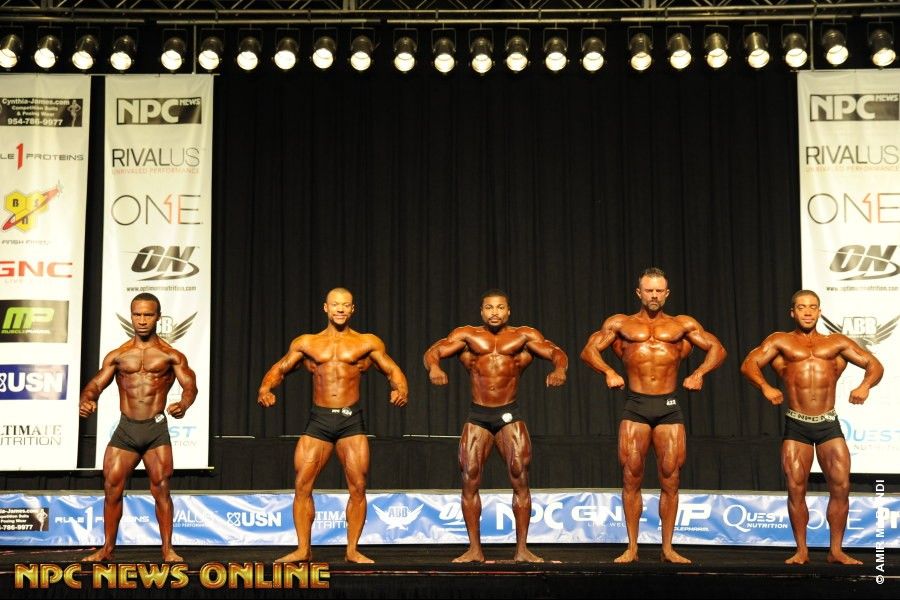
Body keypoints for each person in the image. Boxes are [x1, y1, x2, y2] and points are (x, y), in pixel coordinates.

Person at [580, 267, 726, 564]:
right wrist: (608, 371)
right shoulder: (620, 324)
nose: (654, 295)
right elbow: (588, 351)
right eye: (649, 290)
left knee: (671, 478)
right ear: (639, 293)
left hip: (669, 407)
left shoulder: (682, 325)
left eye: (659, 290)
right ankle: (632, 547)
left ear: (667, 293)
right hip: (636, 405)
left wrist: (699, 373)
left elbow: (717, 349)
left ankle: (667, 548)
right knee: (630, 476)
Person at [257, 288, 408, 564]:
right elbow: (280, 368)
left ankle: (352, 550)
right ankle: (303, 549)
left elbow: (392, 369)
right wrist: (265, 388)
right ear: (325, 308)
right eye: (335, 305)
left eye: (345, 305)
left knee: (358, 486)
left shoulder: (367, 342)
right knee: (302, 484)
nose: (340, 309)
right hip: (320, 420)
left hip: (351, 420)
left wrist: (400, 389)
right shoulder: (307, 343)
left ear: (353, 309)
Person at [423, 289, 568, 563]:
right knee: (469, 477)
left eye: (500, 307)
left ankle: (522, 550)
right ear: (481, 311)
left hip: (508, 414)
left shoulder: (523, 336)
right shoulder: (467, 336)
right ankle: (474, 549)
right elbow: (434, 351)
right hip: (478, 415)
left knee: (520, 476)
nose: (494, 312)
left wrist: (559, 369)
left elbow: (555, 351)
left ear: (508, 311)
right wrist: (434, 368)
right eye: (489, 308)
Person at [741, 289, 883, 565]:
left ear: (819, 311)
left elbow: (873, 364)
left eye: (812, 307)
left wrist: (865, 385)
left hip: (828, 423)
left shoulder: (836, 343)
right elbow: (749, 364)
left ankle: (836, 551)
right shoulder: (780, 341)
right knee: (796, 488)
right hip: (797, 423)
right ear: (792, 312)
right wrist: (766, 387)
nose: (807, 312)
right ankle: (802, 551)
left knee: (841, 486)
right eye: (801, 307)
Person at [78, 292, 197, 562]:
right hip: (126, 430)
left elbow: (190, 386)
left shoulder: (171, 355)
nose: (142, 320)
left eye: (148, 315)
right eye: (137, 314)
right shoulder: (118, 356)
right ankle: (107, 549)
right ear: (131, 316)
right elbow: (96, 384)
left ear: (158, 317)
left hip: (155, 430)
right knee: (111, 487)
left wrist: (184, 403)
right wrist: (87, 399)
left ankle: (167, 550)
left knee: (161, 488)